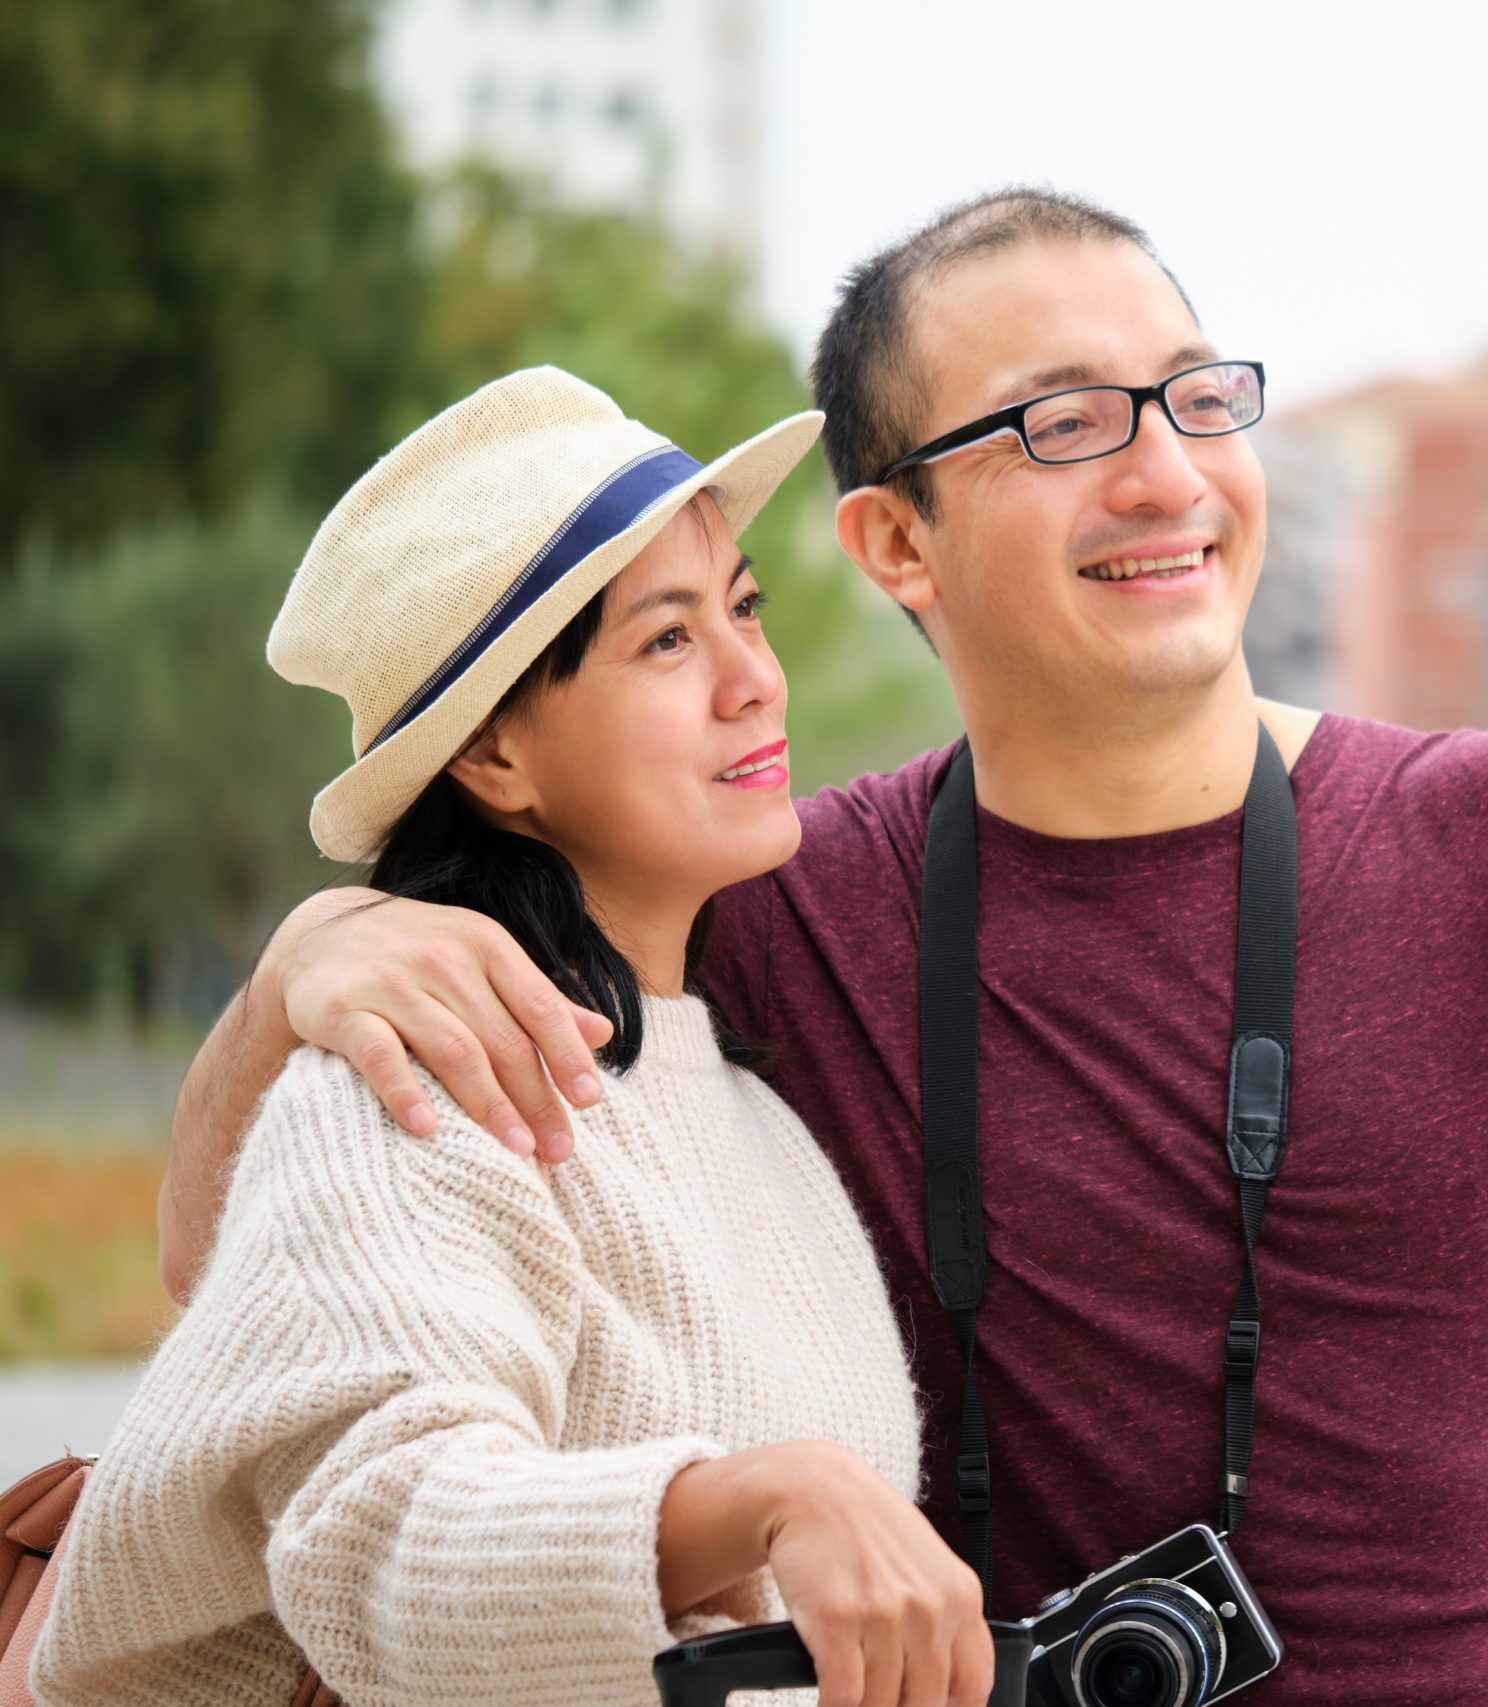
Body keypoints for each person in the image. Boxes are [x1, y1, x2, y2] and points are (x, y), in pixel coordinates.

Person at [156, 191, 1488, 1706]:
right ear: (891, 539)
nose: (1164, 469)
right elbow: (256, 1293)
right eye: (1061, 421)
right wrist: (309, 969)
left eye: (1195, 392)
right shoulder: (769, 913)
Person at [35, 370, 994, 1707]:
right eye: (668, 641)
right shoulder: (418, 1074)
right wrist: (761, 1501)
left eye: (744, 609)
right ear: (491, 757)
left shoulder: (758, 1115)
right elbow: (383, 1538)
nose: (754, 680)